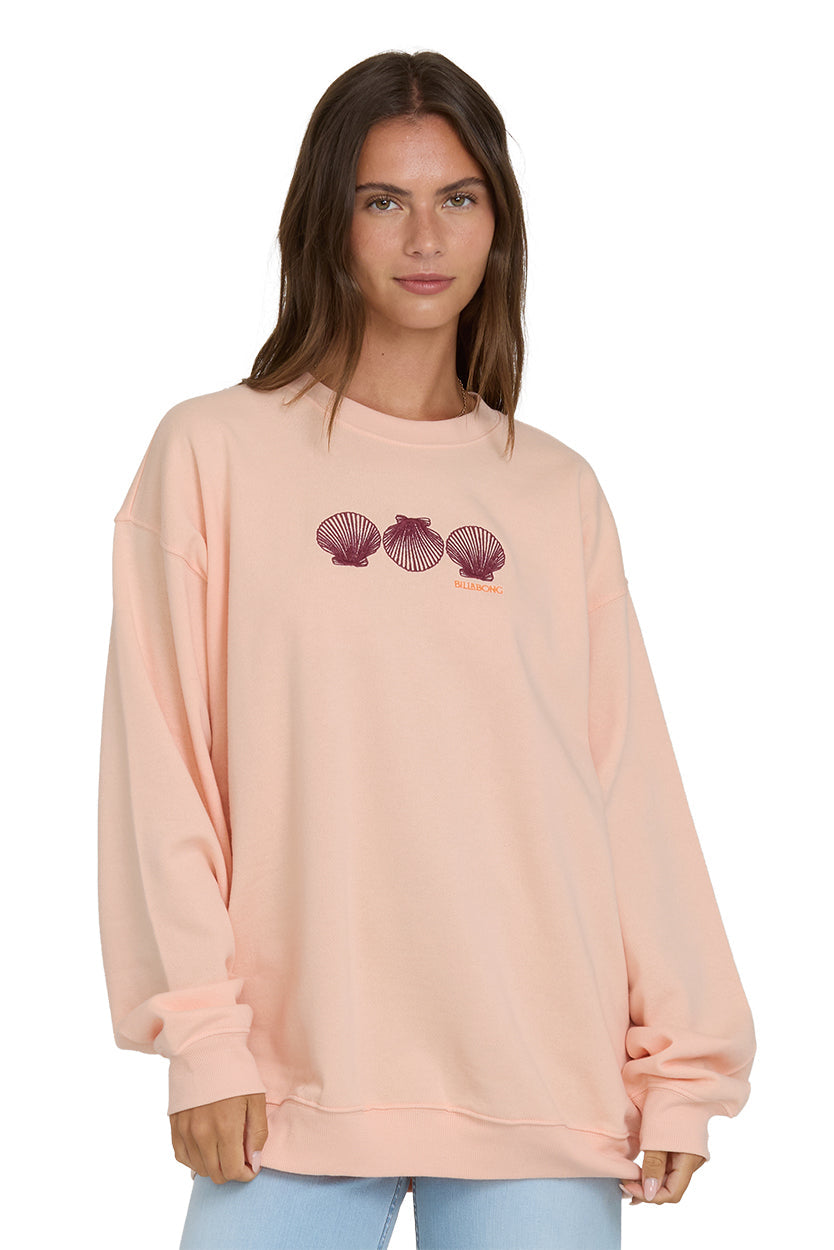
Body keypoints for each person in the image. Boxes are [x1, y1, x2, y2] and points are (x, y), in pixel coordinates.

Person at [96, 49, 757, 1250]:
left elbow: (627, 786)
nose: (424, 237)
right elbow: (163, 770)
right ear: (327, 221)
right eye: (382, 200)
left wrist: (685, 1061)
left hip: (538, 1072)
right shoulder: (211, 454)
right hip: (289, 1083)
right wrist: (203, 1037)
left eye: (458, 197)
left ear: (497, 222)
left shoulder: (554, 489)